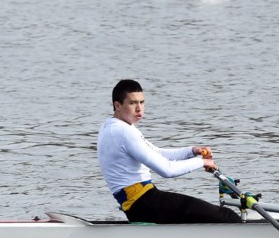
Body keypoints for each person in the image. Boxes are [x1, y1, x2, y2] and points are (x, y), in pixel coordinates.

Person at [97, 79, 240, 224]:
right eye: (132, 103)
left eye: (142, 102)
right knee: (227, 217)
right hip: (143, 203)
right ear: (117, 105)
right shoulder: (123, 132)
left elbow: (157, 153)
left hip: (140, 204)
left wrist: (192, 151)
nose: (139, 108)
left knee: (208, 216)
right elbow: (167, 170)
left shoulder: (112, 126)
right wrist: (201, 162)